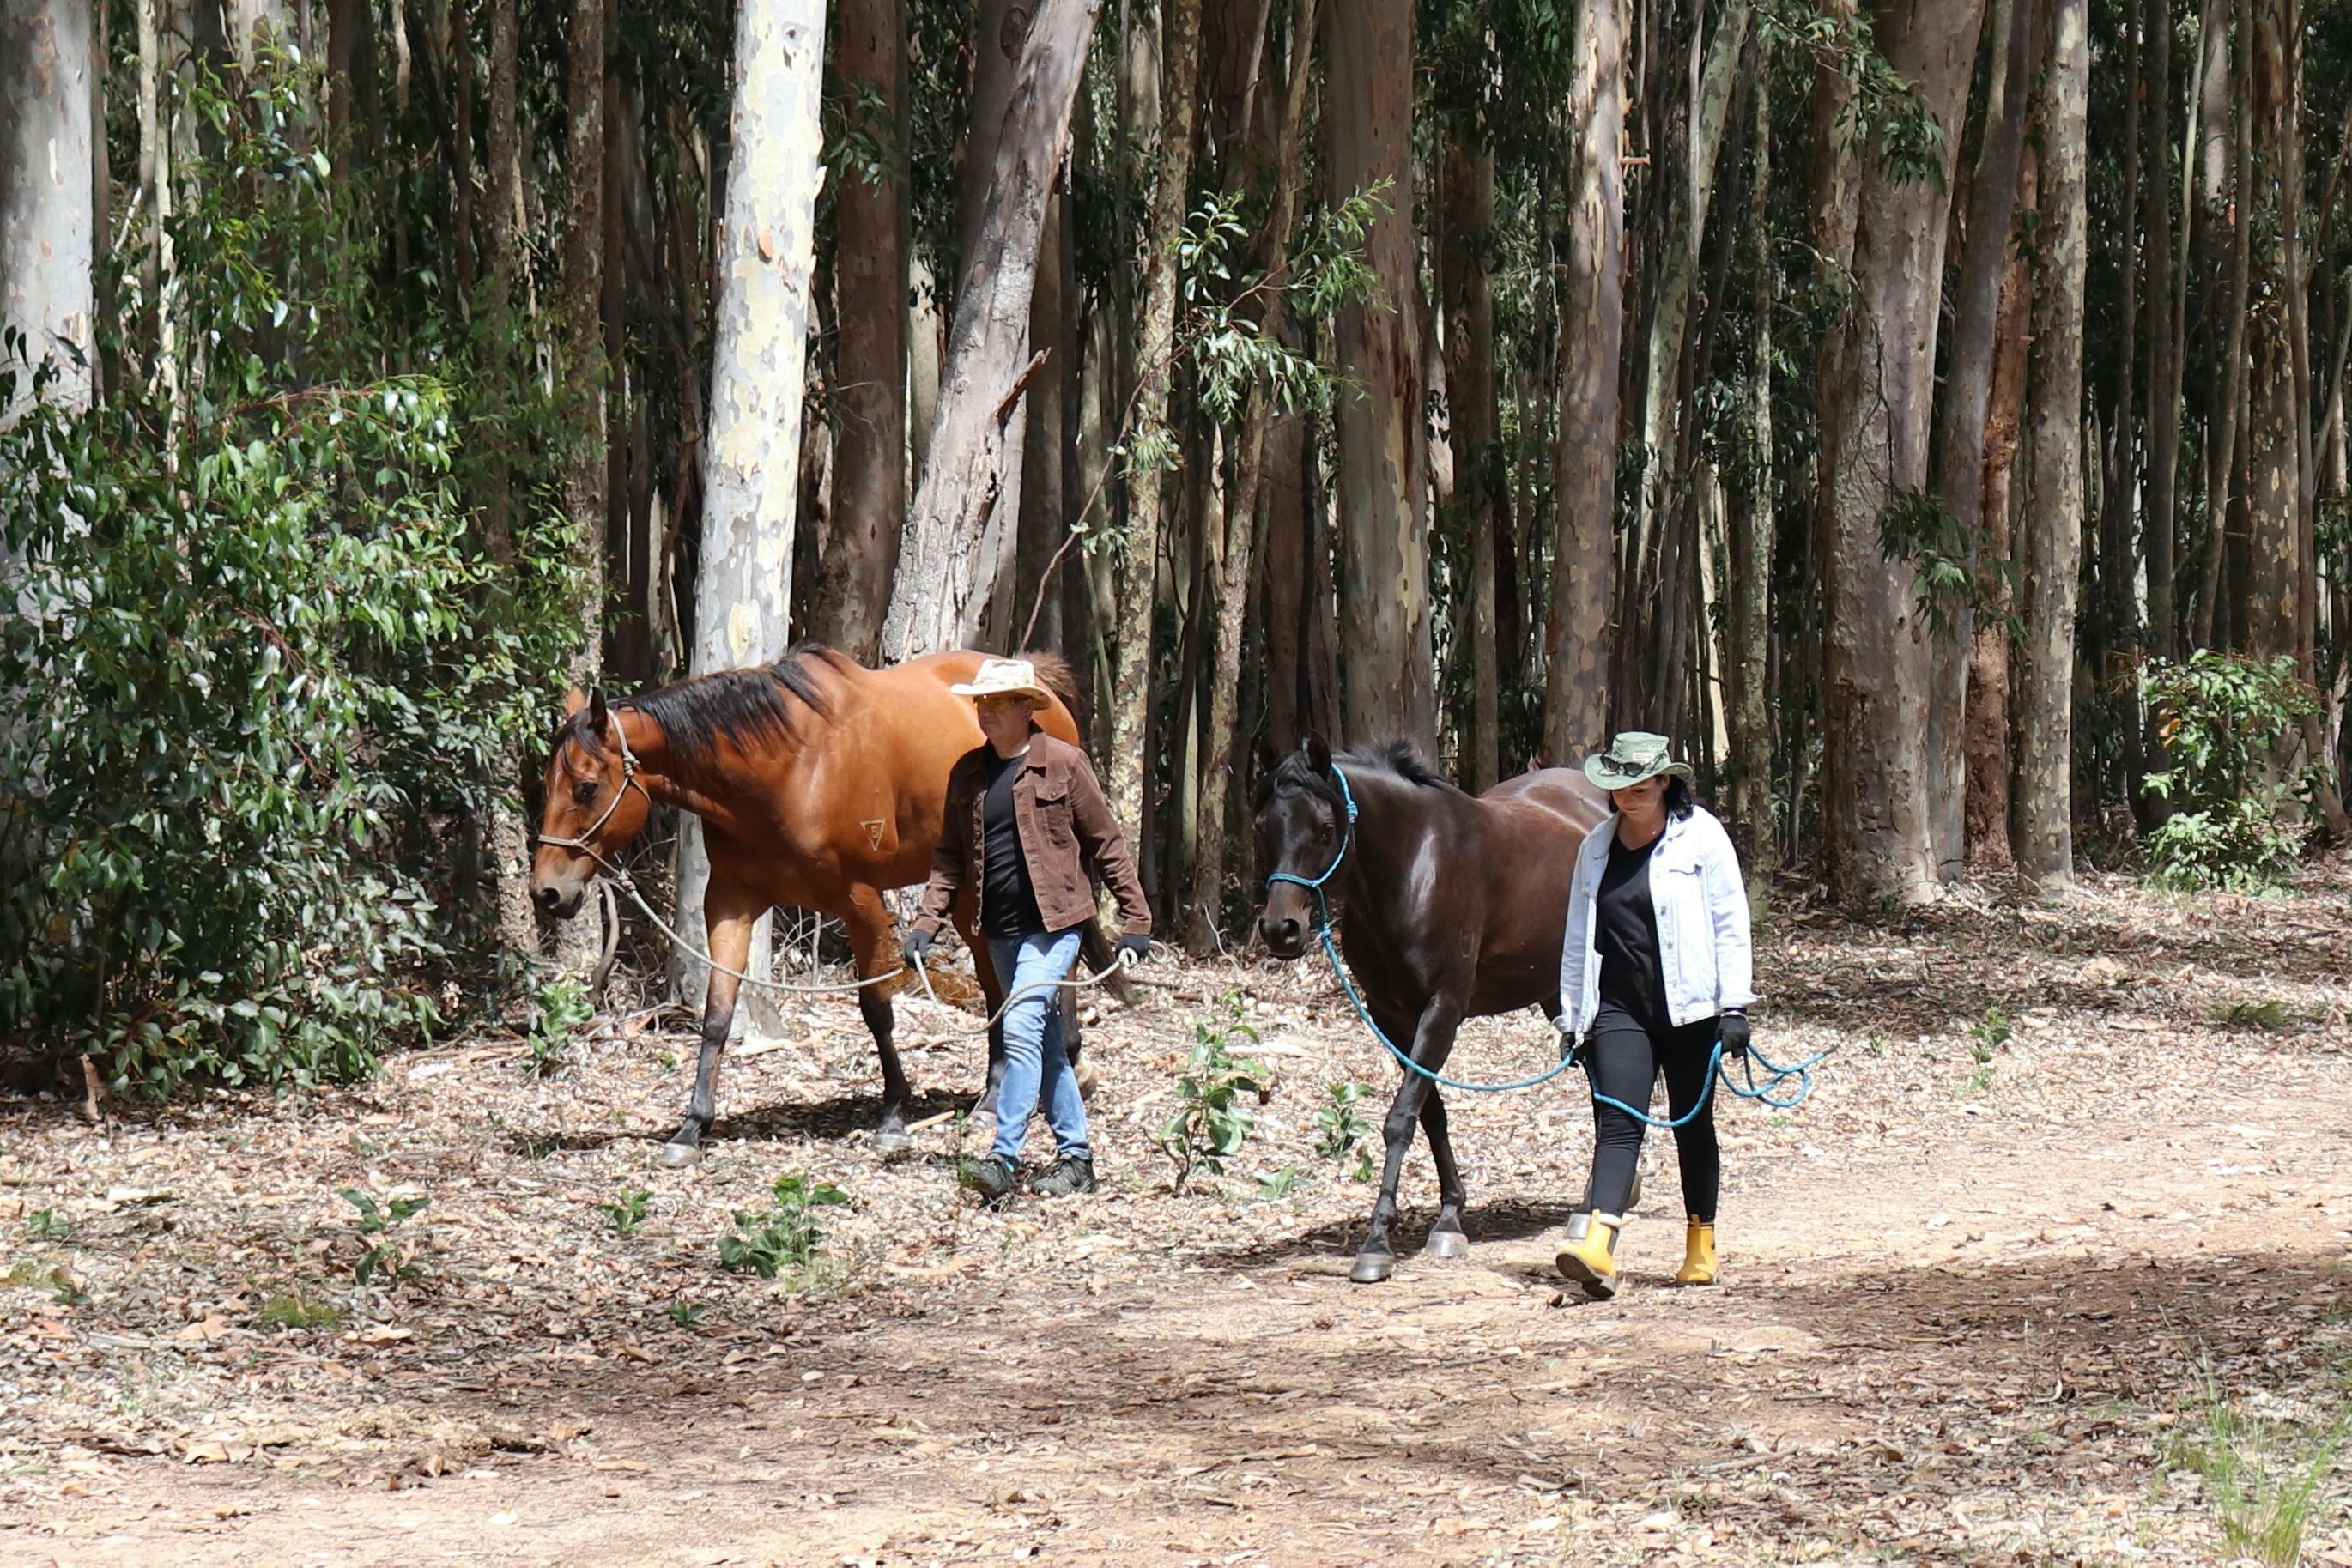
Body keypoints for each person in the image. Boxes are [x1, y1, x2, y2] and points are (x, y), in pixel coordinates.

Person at [903, 657, 1152, 1202]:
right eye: (982, 703)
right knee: (1046, 1044)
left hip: (1056, 926)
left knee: (1017, 1029)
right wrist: (926, 923)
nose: (986, 712)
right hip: (999, 932)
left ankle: (1003, 1158)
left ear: (1025, 708)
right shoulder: (967, 773)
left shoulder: (1063, 763)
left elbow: (1106, 843)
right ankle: (1077, 1159)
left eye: (998, 703)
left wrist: (1136, 922)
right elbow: (949, 858)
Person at [1551, 731, 1756, 1298]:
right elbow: (1578, 936)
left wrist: (1734, 1005)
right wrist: (1573, 1017)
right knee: (1618, 1122)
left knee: (1693, 1126)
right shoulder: (1595, 847)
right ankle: (1598, 1247)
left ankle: (1700, 1244)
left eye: (1641, 787)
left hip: (1693, 1010)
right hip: (1621, 1008)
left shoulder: (1702, 836)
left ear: (1666, 781)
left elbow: (1730, 922)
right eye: (1620, 789)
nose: (1629, 798)